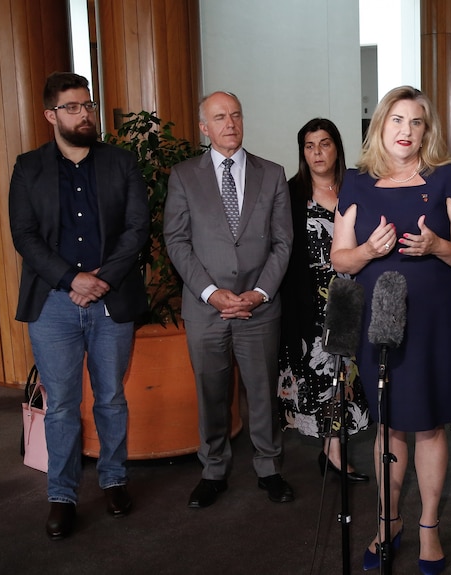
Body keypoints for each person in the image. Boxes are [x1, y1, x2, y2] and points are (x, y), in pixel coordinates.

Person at [331, 86, 451, 575]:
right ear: (381, 125)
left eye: (417, 122)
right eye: (398, 119)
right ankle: (388, 521)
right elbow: (340, 258)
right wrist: (370, 252)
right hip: (381, 319)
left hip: (435, 319)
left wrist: (437, 245)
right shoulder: (355, 182)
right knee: (389, 423)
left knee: (429, 424)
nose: (407, 131)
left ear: (426, 131)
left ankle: (429, 528)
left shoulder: (445, 178)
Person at [9, 72, 148, 539]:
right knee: (63, 405)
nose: (84, 114)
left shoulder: (120, 163)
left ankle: (113, 480)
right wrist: (73, 279)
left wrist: (100, 280)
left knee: (111, 397)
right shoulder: (28, 168)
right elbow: (24, 236)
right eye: (72, 108)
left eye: (87, 105)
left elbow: (136, 230)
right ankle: (62, 496)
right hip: (53, 305)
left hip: (111, 300)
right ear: (51, 115)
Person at [163, 91, 294, 509]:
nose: (230, 124)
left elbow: (283, 243)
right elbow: (177, 240)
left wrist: (257, 294)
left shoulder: (271, 174)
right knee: (211, 392)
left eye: (236, 115)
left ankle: (269, 467)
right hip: (206, 310)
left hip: (259, 307)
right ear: (205, 128)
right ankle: (213, 470)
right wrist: (211, 293)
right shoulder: (184, 176)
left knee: (261, 393)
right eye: (220, 117)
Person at [278, 118, 370, 482]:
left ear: (337, 148)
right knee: (319, 376)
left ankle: (333, 451)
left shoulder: (357, 187)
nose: (318, 152)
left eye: (325, 143)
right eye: (310, 146)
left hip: (350, 298)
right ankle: (333, 455)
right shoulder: (290, 194)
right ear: (302, 152)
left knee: (347, 375)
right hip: (309, 302)